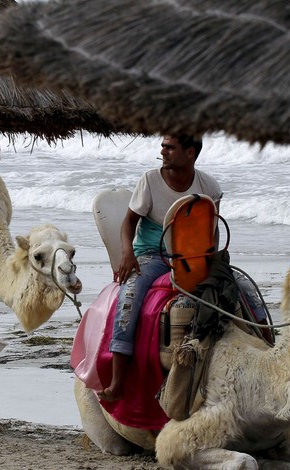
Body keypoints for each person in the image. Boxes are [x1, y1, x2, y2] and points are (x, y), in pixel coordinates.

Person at [97, 134, 222, 402]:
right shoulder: (150, 180)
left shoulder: (208, 186)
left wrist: (214, 262)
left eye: (169, 147)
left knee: (242, 291)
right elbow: (128, 223)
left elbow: (211, 232)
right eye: (162, 146)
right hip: (152, 256)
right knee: (129, 300)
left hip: (192, 256)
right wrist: (128, 253)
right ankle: (118, 381)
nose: (162, 151)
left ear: (190, 153)